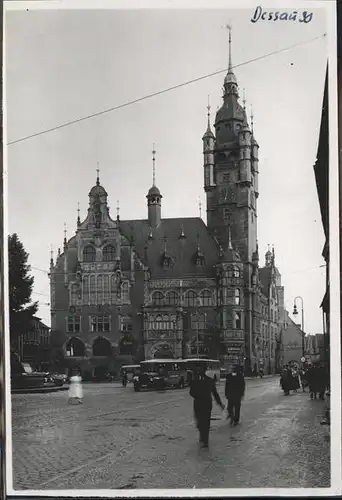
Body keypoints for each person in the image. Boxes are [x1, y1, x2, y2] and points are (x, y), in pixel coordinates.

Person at [189, 362, 224, 449]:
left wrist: (197, 396)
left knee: (202, 421)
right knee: (204, 422)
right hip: (205, 404)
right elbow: (215, 394)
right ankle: (204, 440)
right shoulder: (207, 380)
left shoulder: (197, 380)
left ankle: (203, 439)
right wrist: (220, 404)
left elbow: (191, 393)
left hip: (200, 404)